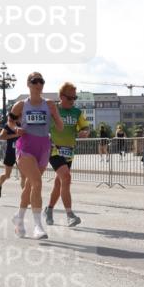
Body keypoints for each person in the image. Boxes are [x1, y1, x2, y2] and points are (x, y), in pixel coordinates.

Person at [8, 73, 63, 240]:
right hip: (25, 147)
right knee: (37, 183)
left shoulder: (50, 104)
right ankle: (38, 226)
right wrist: (16, 128)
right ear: (28, 84)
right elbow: (10, 121)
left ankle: (19, 217)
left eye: (41, 81)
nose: (38, 84)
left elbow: (59, 126)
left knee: (31, 186)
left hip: (43, 147)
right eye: (35, 81)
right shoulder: (20, 105)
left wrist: (59, 120)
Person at [44, 82, 90, 227]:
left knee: (59, 183)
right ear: (61, 97)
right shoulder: (53, 110)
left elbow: (85, 127)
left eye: (74, 98)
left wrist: (85, 132)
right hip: (53, 149)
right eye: (70, 98)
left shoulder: (77, 112)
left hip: (69, 150)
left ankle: (49, 209)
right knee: (66, 177)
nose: (73, 101)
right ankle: (70, 215)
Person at [0, 118, 20, 198]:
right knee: (7, 175)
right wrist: (15, 135)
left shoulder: (24, 123)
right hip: (10, 152)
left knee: (24, 175)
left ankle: (26, 198)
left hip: (21, 152)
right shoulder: (9, 125)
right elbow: (1, 136)